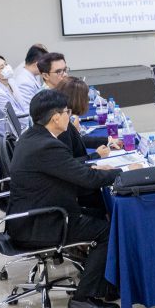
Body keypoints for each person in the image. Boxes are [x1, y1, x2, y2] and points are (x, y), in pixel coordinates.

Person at [6, 90, 136, 308]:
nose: (70, 116)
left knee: (98, 212)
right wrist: (124, 171)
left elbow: (68, 169)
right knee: (107, 231)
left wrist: (93, 167)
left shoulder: (33, 137)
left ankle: (104, 283)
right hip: (41, 222)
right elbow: (87, 180)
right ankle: (82, 299)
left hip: (30, 215)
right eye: (67, 112)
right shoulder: (48, 145)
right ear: (56, 117)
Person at [56, 78, 122, 215]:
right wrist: (96, 155)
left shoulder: (66, 120)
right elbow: (68, 164)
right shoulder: (63, 127)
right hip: (78, 186)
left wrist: (107, 140)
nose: (87, 101)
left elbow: (79, 140)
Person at [0, 55, 28, 134]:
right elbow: (14, 115)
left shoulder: (11, 82)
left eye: (6, 64)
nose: (7, 67)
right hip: (13, 131)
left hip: (23, 123)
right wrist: (33, 122)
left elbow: (22, 104)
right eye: (2, 67)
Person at [11, 44, 47, 111]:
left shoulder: (30, 75)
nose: (46, 68)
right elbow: (28, 110)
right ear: (37, 64)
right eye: (45, 65)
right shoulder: (24, 82)